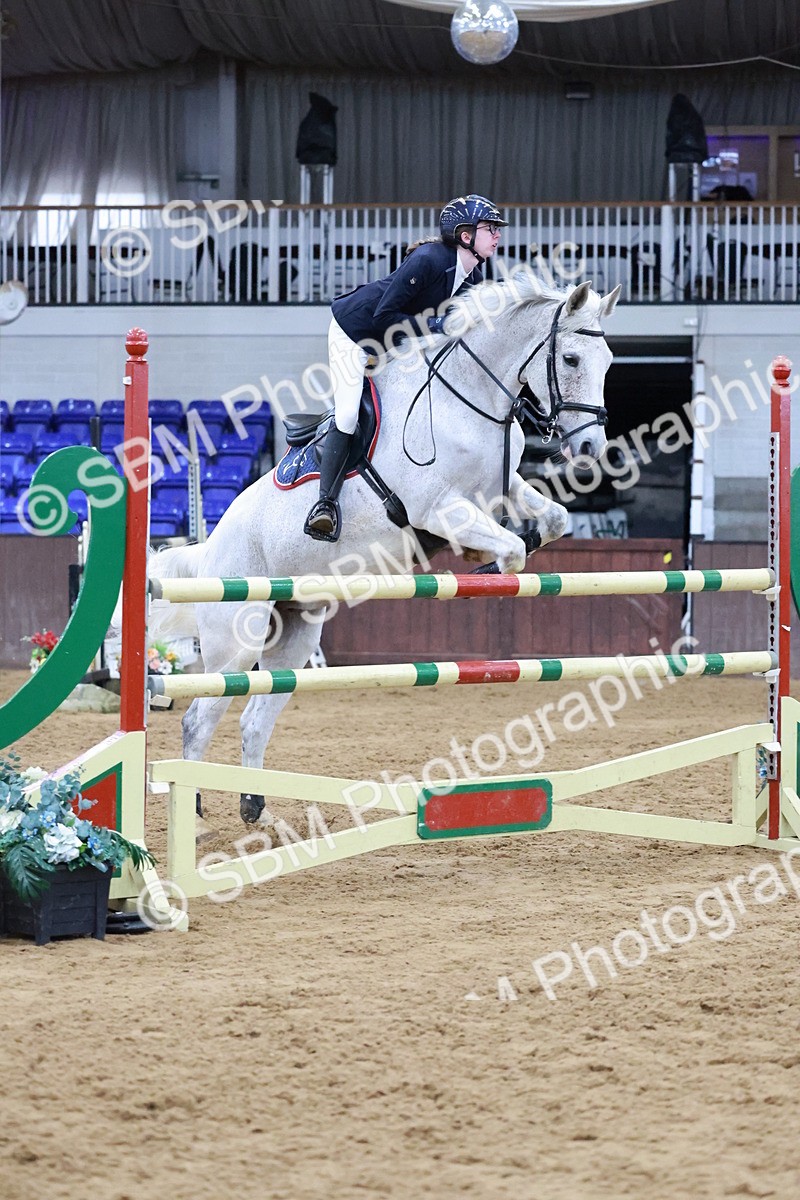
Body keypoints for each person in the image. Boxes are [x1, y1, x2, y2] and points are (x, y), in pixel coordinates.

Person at [304, 194, 507, 541]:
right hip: (355, 333)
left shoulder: (473, 277)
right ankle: (325, 504)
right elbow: (384, 315)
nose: (497, 235)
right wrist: (436, 325)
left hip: (397, 341)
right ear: (465, 235)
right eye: (490, 228)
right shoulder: (429, 260)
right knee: (349, 415)